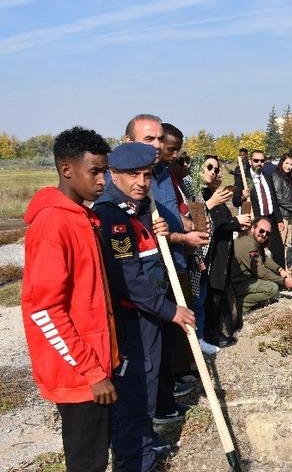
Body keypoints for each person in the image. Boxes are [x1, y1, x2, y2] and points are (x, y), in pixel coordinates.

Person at [92, 142, 196, 472]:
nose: (141, 181)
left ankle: (144, 450)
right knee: (135, 395)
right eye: (132, 174)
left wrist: (159, 231)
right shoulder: (112, 216)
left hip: (149, 317)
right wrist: (170, 311)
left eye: (147, 174)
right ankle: (135, 461)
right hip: (133, 319)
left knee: (146, 390)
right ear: (113, 174)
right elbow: (129, 280)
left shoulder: (139, 211)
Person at [22, 127, 116, 472]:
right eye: (95, 171)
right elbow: (43, 309)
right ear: (66, 170)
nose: (103, 180)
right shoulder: (53, 225)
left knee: (95, 456)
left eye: (105, 170)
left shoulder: (85, 218)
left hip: (96, 365)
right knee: (86, 462)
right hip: (80, 375)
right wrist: (92, 372)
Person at [124, 117, 202, 427]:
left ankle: (163, 403)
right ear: (129, 140)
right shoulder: (121, 185)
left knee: (163, 345)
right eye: (149, 140)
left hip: (165, 270)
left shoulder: (161, 174)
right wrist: (181, 236)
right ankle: (149, 418)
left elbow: (167, 219)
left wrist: (180, 227)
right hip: (139, 288)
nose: (157, 146)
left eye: (159, 140)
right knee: (145, 355)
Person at [198, 155, 252, 346]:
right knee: (211, 295)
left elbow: (224, 220)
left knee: (220, 291)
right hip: (209, 254)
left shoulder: (216, 196)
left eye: (216, 169)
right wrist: (234, 222)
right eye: (209, 168)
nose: (214, 172)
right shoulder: (199, 195)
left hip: (224, 249)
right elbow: (204, 224)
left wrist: (238, 224)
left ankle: (219, 330)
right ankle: (209, 335)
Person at [231, 149, 286, 269]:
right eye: (256, 160)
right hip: (255, 221)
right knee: (255, 252)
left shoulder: (267, 176)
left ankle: (282, 278)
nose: (259, 163)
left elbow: (274, 200)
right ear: (251, 161)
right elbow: (235, 202)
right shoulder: (244, 179)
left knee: (278, 250)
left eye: (262, 160)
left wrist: (279, 219)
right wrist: (243, 196)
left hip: (270, 219)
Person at [231, 217, 292, 314]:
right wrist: (283, 281)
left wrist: (280, 270)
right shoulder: (248, 245)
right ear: (253, 227)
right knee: (272, 288)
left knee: (272, 286)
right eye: (261, 231)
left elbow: (264, 258)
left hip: (244, 278)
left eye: (267, 233)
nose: (264, 235)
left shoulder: (252, 238)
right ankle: (241, 306)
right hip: (237, 283)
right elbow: (261, 273)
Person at [272, 153, 292, 267]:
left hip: (288, 214)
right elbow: (279, 199)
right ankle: (281, 268)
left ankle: (284, 265)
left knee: (287, 242)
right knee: (281, 243)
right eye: (286, 163)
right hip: (282, 215)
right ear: (281, 163)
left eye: (291, 164)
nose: (289, 166)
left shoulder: (287, 177)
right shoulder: (277, 176)